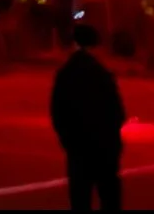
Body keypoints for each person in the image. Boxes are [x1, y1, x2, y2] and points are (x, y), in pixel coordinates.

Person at [50, 23, 126, 213]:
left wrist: (67, 140)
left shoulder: (65, 74)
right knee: (109, 196)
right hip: (105, 146)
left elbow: (58, 112)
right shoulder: (102, 74)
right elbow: (118, 112)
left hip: (78, 147)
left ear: (74, 43)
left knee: (80, 198)